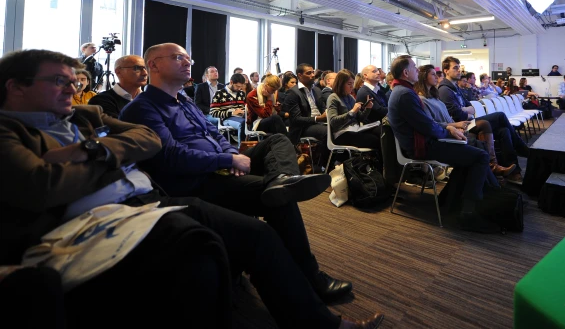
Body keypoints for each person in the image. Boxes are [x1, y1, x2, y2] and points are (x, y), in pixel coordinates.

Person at [0, 49, 382, 329]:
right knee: (213, 244)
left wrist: (90, 151)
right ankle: (283, 210)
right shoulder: (11, 130)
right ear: (15, 87)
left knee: (265, 209)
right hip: (138, 203)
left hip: (149, 198)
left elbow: (149, 141)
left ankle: (284, 195)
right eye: (59, 80)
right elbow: (42, 185)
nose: (72, 87)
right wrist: (107, 154)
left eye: (73, 80)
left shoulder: (87, 115)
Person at [119, 44, 353, 303]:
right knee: (279, 199)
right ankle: (310, 275)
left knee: (276, 141)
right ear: (153, 65)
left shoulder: (183, 100)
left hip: (220, 164)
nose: (188, 63)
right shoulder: (142, 108)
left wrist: (231, 154)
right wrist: (227, 158)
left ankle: (282, 179)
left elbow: (214, 133)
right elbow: (172, 157)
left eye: (188, 58)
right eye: (178, 58)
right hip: (197, 181)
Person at [387, 55, 499, 233]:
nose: (417, 70)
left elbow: (426, 123)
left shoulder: (402, 91)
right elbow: (427, 126)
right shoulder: (405, 94)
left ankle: (475, 198)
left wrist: (449, 128)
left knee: (472, 155)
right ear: (406, 72)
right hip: (422, 147)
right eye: (414, 67)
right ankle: (469, 213)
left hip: (425, 141)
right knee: (480, 157)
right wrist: (449, 131)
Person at [416, 65, 515, 178]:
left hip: (455, 126)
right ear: (424, 78)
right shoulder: (424, 99)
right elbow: (433, 123)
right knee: (488, 124)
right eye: (433, 74)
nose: (438, 77)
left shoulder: (434, 96)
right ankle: (495, 169)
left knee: (504, 130)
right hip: (447, 132)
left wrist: (458, 120)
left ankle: (496, 170)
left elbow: (470, 107)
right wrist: (454, 125)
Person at [282, 63, 329, 165]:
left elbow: (322, 108)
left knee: (339, 129)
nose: (312, 75)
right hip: (303, 128)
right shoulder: (293, 93)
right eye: (309, 73)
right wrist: (318, 119)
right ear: (300, 75)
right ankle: (323, 165)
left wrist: (327, 113)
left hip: (319, 123)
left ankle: (338, 161)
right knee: (327, 132)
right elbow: (296, 119)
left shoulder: (316, 90)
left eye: (313, 72)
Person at [326, 69, 381, 151]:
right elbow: (333, 122)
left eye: (353, 83)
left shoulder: (350, 97)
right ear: (341, 84)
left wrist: (367, 108)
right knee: (375, 140)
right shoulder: (333, 97)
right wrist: (352, 112)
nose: (352, 87)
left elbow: (361, 118)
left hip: (355, 130)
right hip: (342, 133)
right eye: (349, 84)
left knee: (381, 133)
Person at [210, 73, 247, 140]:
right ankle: (242, 148)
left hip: (242, 117)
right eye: (237, 86)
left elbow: (246, 107)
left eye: (240, 87)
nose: (239, 88)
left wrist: (245, 111)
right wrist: (232, 113)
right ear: (231, 82)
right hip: (227, 119)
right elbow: (213, 113)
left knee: (252, 122)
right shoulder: (219, 93)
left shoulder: (242, 93)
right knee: (243, 123)